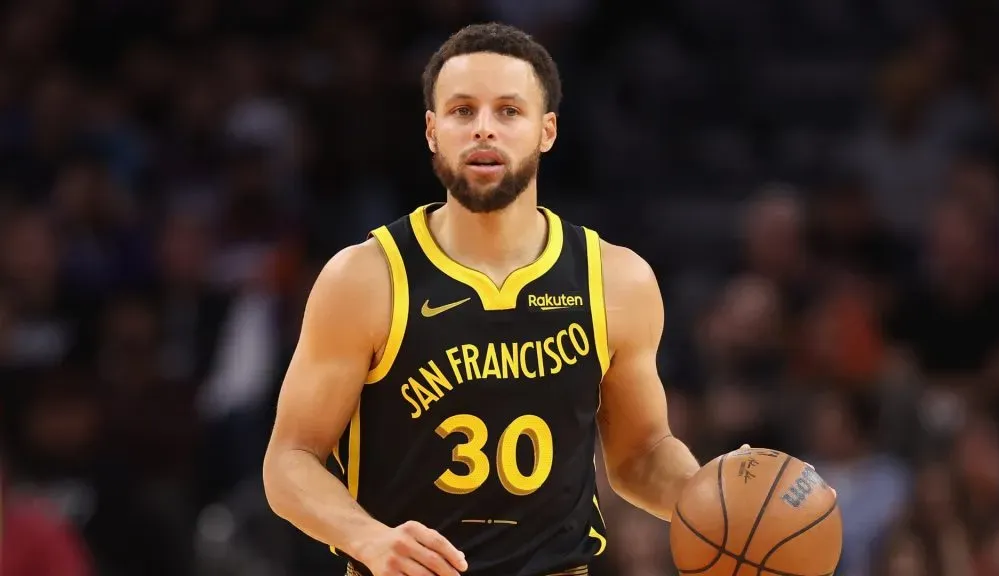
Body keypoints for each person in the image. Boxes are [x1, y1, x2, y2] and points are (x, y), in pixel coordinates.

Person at [263, 23, 702, 576]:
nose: (484, 130)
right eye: (462, 111)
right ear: (431, 130)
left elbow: (640, 456)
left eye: (508, 111)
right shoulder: (366, 277)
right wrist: (369, 539)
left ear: (547, 131)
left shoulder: (615, 280)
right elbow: (290, 460)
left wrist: (711, 499)